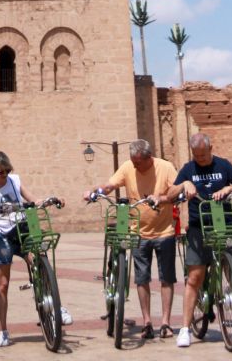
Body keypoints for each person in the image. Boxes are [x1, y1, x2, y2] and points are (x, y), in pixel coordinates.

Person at [167, 133, 232, 348]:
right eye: (197, 155)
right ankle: (185, 329)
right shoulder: (188, 169)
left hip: (225, 226)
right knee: (194, 277)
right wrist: (184, 184)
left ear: (211, 148)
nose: (200, 159)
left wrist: (230, 188)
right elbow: (169, 194)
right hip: (198, 228)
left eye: (203, 155)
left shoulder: (224, 166)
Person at [0, 151, 70, 348]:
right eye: (1, 172)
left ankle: (54, 305)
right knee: (3, 284)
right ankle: (3, 331)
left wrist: (52, 199)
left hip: (21, 228)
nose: (5, 174)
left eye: (7, 170)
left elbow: (33, 200)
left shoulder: (14, 180)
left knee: (39, 258)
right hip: (0, 235)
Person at [84, 139, 178, 339]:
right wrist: (95, 192)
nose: (134, 166)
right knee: (142, 278)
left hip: (164, 232)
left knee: (166, 278)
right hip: (138, 232)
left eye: (138, 162)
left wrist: (161, 198)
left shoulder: (166, 167)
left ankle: (166, 323)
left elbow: (176, 190)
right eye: (132, 162)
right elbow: (109, 185)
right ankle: (147, 322)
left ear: (149, 158)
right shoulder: (128, 167)